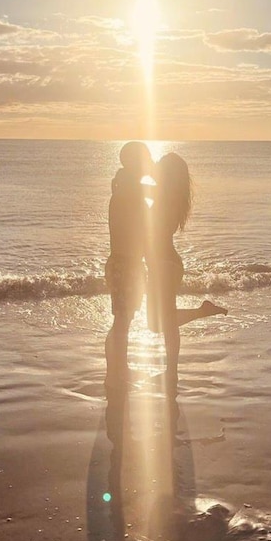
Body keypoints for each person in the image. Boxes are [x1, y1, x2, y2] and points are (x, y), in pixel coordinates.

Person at [146, 152, 227, 393]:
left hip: (164, 265)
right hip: (166, 264)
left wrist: (128, 181)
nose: (155, 170)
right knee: (167, 322)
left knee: (156, 324)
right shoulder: (172, 197)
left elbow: (142, 193)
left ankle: (202, 312)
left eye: (160, 168)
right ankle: (172, 369)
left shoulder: (164, 199)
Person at [104, 141, 153, 388]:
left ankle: (116, 370)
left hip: (125, 263)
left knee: (124, 319)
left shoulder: (125, 187)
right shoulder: (129, 191)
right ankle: (118, 371)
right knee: (123, 320)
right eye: (146, 158)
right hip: (125, 264)